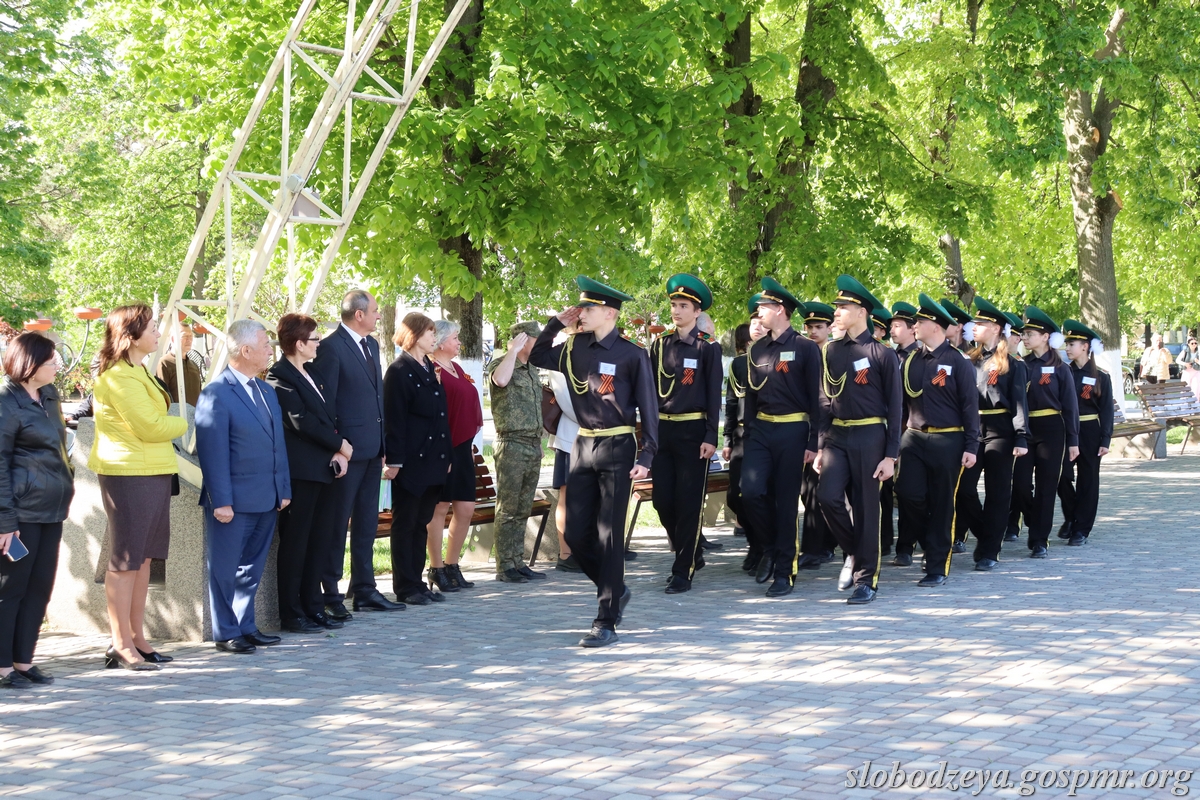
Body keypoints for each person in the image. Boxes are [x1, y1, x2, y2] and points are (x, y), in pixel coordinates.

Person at [529, 276, 657, 648]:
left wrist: (647, 454)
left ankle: (605, 620)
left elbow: (649, 408)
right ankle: (613, 587)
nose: (581, 313)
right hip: (584, 445)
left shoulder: (632, 354)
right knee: (574, 533)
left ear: (610, 313)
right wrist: (555, 323)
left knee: (608, 535)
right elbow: (537, 356)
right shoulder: (574, 347)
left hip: (618, 445)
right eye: (581, 306)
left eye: (588, 308)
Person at [89, 304, 189, 670]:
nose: (158, 334)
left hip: (152, 471)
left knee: (144, 557)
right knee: (126, 559)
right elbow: (150, 426)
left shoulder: (138, 370)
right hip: (128, 474)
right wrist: (186, 422)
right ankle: (119, 644)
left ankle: (136, 637)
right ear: (130, 336)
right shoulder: (118, 377)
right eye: (152, 328)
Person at [196, 319, 291, 653]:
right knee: (224, 569)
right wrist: (221, 500)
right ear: (246, 350)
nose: (271, 350)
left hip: (266, 497)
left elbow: (277, 445)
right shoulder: (216, 393)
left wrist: (283, 488)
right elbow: (213, 452)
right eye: (266, 345)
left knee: (251, 568)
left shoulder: (266, 391)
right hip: (233, 502)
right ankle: (226, 632)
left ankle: (246, 626)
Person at [312, 290, 402, 616]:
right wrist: (338, 447)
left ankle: (365, 589)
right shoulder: (331, 347)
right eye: (375, 311)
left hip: (372, 450)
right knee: (338, 524)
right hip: (347, 454)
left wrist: (383, 446)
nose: (379, 315)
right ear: (359, 314)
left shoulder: (372, 345)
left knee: (366, 523)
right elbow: (326, 404)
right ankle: (330, 594)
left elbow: (376, 398)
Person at [815, 275, 902, 605]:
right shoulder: (831, 351)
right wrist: (821, 444)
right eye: (836, 307)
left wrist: (890, 455)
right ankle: (854, 551)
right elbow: (825, 400)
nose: (836, 312)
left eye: (842, 307)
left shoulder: (882, 354)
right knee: (827, 496)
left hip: (870, 435)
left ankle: (866, 580)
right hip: (837, 435)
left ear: (861, 312)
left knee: (866, 509)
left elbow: (896, 408)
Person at [266, 313, 352, 633]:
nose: (319, 343)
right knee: (296, 543)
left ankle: (314, 607)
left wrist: (338, 449)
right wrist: (340, 445)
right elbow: (301, 421)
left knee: (319, 541)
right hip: (301, 473)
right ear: (299, 344)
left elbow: (330, 416)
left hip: (325, 469)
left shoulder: (313, 372)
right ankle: (292, 612)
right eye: (314, 339)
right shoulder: (279, 377)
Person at [0, 333, 74, 688]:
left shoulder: (49, 395)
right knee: (11, 588)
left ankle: (23, 661)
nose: (57, 365)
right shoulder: (6, 402)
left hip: (52, 510)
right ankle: (3, 667)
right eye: (51, 361)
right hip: (21, 515)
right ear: (29, 365)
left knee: (40, 587)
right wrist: (5, 521)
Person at [741, 277, 821, 598]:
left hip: (793, 430)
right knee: (750, 492)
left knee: (786, 502)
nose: (758, 311)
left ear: (780, 310)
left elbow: (817, 399)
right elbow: (751, 396)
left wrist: (814, 442)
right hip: (761, 429)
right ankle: (770, 547)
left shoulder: (805, 348)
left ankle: (784, 571)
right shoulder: (757, 349)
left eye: (764, 307)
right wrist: (748, 434)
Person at [895, 295, 979, 587]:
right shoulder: (911, 361)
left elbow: (970, 406)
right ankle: (929, 540)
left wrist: (971, 446)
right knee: (908, 494)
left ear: (936, 326)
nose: (914, 326)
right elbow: (901, 406)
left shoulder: (958, 361)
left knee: (943, 503)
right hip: (914, 438)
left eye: (919, 322)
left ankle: (937, 565)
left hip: (948, 439)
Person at [648, 274, 722, 594]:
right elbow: (649, 390)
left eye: (683, 306)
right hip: (663, 430)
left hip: (693, 431)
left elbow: (713, 395)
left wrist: (711, 436)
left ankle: (683, 570)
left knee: (689, 502)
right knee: (662, 501)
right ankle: (690, 551)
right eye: (674, 305)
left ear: (696, 312)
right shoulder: (660, 345)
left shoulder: (708, 348)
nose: (677, 311)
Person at [384, 312, 453, 606]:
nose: (434, 338)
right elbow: (394, 420)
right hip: (411, 461)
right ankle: (405, 586)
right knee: (406, 523)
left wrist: (446, 454)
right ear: (413, 335)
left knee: (421, 521)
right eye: (429, 332)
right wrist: (395, 461)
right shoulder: (399, 370)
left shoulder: (427, 367)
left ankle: (417, 582)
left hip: (433, 460)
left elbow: (441, 416)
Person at [955, 298, 1029, 571]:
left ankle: (989, 550)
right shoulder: (969, 361)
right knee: (964, 489)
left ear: (996, 329)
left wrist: (1021, 436)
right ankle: (987, 533)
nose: (974, 327)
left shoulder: (1013, 364)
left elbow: (1019, 402)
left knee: (997, 492)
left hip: (1001, 430)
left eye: (981, 323)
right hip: (974, 430)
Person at [1011, 306, 1080, 558]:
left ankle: (1040, 539)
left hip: (1052, 428)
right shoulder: (1021, 365)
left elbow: (1070, 406)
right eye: (1024, 334)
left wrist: (1073, 440)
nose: (1025, 338)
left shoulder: (1060, 367)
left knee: (1047, 486)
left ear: (1045, 337)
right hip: (1025, 428)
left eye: (1030, 334)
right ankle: (1035, 519)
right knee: (1020, 484)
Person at [424, 320, 485, 592]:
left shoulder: (457, 368)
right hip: (442, 447)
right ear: (440, 341)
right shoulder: (432, 368)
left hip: (463, 448)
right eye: (455, 338)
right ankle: (436, 568)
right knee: (440, 508)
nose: (459, 342)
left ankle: (452, 565)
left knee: (466, 508)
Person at [487, 321, 546, 583]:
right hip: (511, 443)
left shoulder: (532, 369)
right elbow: (500, 380)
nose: (540, 344)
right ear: (523, 339)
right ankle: (504, 566)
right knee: (508, 509)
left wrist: (538, 443)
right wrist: (512, 351)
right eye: (535, 339)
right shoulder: (501, 364)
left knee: (523, 509)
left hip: (532, 444)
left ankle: (517, 561)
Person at [1056, 321, 1113, 546]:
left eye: (1072, 344)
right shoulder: (1063, 372)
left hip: (1089, 430)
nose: (1067, 348)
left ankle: (1081, 529)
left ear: (1085, 346)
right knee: (1062, 476)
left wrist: (1105, 439)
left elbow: (1106, 410)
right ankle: (1071, 516)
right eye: (1067, 344)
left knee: (1088, 481)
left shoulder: (1101, 376)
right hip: (1066, 430)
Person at [723, 300, 767, 573]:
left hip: (765, 433)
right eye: (753, 323)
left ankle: (762, 547)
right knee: (735, 496)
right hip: (741, 435)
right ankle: (754, 542)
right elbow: (731, 403)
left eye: (762, 322)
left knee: (759, 494)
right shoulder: (738, 364)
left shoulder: (774, 359)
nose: (757, 327)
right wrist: (727, 439)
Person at [796, 301, 838, 573]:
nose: (813, 332)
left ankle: (819, 547)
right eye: (809, 327)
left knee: (818, 490)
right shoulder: (801, 353)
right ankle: (823, 542)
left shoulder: (833, 355)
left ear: (829, 328)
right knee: (806, 491)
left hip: (831, 431)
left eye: (818, 327)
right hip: (804, 429)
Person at [887, 301, 921, 566]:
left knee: (910, 492)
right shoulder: (889, 356)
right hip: (889, 430)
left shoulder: (920, 358)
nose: (892, 330)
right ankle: (892, 541)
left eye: (897, 325)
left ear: (912, 329)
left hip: (912, 431)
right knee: (894, 491)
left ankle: (908, 544)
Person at [546, 358, 581, 572]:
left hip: (595, 437)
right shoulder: (562, 355)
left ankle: (585, 549)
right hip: (571, 437)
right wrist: (595, 419)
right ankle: (565, 554)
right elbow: (566, 400)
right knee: (567, 496)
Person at [157, 323, 203, 407]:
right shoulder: (164, 363)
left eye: (191, 336)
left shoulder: (194, 366)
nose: (189, 340)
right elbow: (161, 397)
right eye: (184, 336)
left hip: (195, 414)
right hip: (174, 414)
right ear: (173, 339)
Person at [1179, 336, 1200, 400]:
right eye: (1192, 343)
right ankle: (1184, 403)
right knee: (1185, 388)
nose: (1194, 345)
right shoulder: (1185, 351)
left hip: (1196, 371)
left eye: (1195, 343)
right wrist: (1185, 364)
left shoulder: (1198, 352)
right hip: (1187, 371)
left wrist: (1197, 361)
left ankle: (1196, 403)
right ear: (1188, 344)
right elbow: (1177, 360)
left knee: (1196, 388)